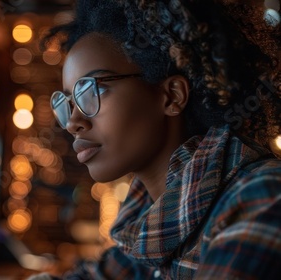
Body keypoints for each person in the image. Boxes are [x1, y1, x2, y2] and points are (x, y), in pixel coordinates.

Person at [30, 0, 281, 279]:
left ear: (172, 95)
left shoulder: (261, 199)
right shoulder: (151, 225)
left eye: (92, 91)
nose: (73, 123)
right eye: (68, 103)